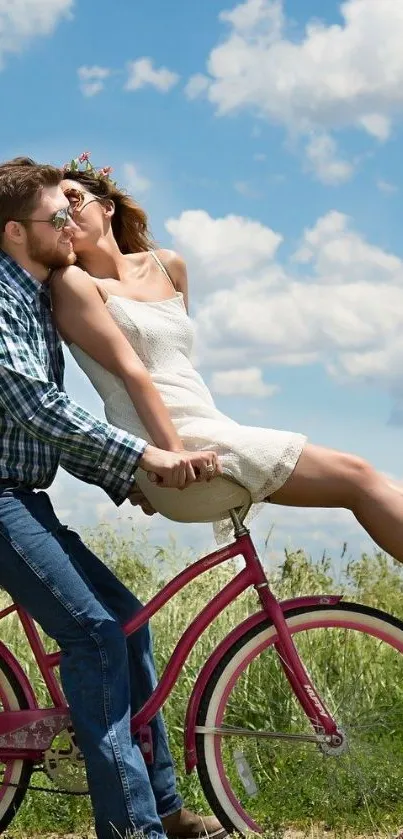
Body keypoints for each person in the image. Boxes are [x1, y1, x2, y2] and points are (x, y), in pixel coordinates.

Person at [0, 157, 226, 839]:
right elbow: (33, 404)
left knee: (125, 622)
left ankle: (161, 805)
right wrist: (143, 454)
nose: (69, 222)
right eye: (55, 216)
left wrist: (122, 479)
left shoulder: (36, 295)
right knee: (94, 634)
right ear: (15, 232)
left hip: (21, 498)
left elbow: (46, 423)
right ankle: (133, 829)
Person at [48, 153, 403, 563]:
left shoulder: (169, 266)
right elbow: (133, 373)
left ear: (107, 206)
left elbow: (178, 365)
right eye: (56, 213)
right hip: (173, 445)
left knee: (382, 482)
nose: (67, 214)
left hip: (208, 426)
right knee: (356, 476)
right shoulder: (74, 283)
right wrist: (172, 454)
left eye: (73, 199)